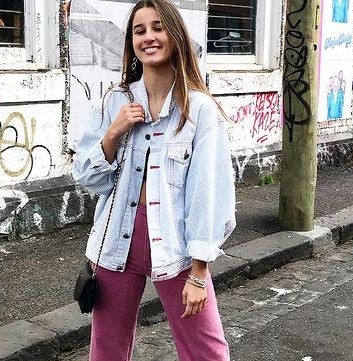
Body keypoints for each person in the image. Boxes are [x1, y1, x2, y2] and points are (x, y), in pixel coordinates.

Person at [72, 1, 236, 360]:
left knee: (205, 351)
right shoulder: (115, 100)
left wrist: (199, 272)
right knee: (107, 351)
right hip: (117, 239)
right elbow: (88, 177)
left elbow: (209, 193)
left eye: (158, 28)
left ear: (175, 35)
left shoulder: (199, 109)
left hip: (177, 244)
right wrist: (113, 133)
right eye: (139, 30)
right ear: (131, 42)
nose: (148, 37)